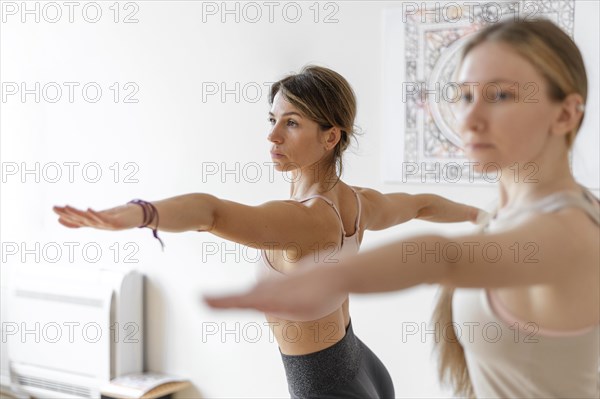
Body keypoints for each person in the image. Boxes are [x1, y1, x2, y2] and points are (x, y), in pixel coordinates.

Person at [205, 20, 600, 399]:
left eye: (500, 95)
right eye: (464, 96)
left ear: (565, 114)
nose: (470, 118)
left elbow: (443, 257)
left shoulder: (568, 230)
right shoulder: (512, 214)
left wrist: (328, 277)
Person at [54, 65, 483, 398]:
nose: (272, 135)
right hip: (364, 368)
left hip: (325, 389)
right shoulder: (358, 202)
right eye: (273, 119)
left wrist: (139, 214)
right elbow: (422, 203)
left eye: (291, 123)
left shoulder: (306, 220)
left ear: (331, 136)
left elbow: (211, 212)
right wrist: (477, 215)